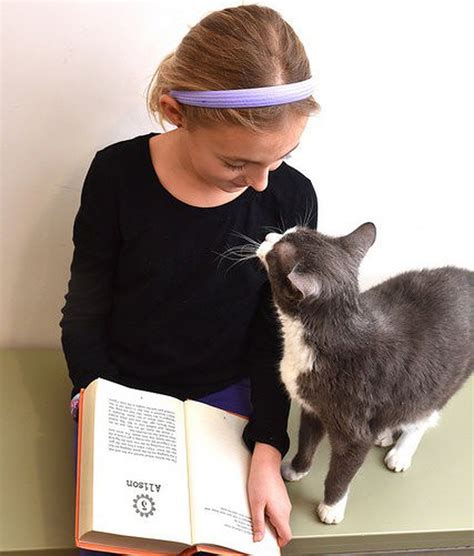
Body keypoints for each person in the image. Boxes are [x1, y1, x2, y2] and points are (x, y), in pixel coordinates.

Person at [60, 4, 319, 554]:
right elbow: (84, 311)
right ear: (174, 111)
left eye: (282, 157)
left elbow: (277, 333)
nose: (259, 184)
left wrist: (269, 446)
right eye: (235, 163)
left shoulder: (292, 196)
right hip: (119, 388)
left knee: (236, 541)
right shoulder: (116, 176)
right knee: (120, 539)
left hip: (232, 395)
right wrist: (96, 396)